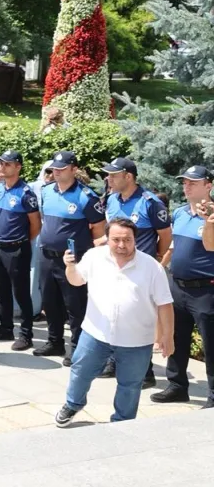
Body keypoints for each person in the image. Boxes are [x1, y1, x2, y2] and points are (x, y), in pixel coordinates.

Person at [55, 218, 174, 426]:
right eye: (116, 239)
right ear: (107, 239)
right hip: (96, 333)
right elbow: (76, 280)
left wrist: (167, 336)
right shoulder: (94, 256)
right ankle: (73, 404)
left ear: (135, 239)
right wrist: (70, 267)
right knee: (80, 370)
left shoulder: (152, 267)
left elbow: (164, 304)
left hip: (136, 339)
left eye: (127, 240)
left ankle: (122, 422)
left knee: (130, 384)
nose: (121, 245)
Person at [98, 157, 170, 382]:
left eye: (113, 175)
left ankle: (145, 372)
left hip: (139, 272)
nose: (108, 179)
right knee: (113, 315)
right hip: (115, 269)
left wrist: (156, 260)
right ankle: (113, 361)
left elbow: (165, 236)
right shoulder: (112, 199)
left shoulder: (149, 202)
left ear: (128, 177)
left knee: (140, 322)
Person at [34, 151, 105, 367]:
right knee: (50, 301)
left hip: (73, 260)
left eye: (62, 169)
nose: (56, 172)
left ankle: (77, 347)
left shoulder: (86, 196)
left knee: (75, 305)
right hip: (47, 255)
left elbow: (99, 230)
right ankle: (55, 341)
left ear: (74, 169)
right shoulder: (47, 191)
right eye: (54, 169)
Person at [152, 165, 214, 408]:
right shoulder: (179, 213)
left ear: (208, 186)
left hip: (205, 289)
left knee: (211, 343)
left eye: (193, 183)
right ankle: (177, 385)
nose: (186, 186)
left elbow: (210, 246)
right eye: (185, 182)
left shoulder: (212, 215)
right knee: (176, 336)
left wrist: (208, 222)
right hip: (177, 286)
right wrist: (162, 268)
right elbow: (173, 246)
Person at [0, 150, 41, 350]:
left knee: (21, 293)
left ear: (18, 167)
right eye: (2, 163)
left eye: (8, 164)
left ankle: (26, 335)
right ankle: (5, 328)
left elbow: (35, 225)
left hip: (16, 248)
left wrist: (21, 242)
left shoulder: (26, 194)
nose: (3, 167)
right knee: (1, 290)